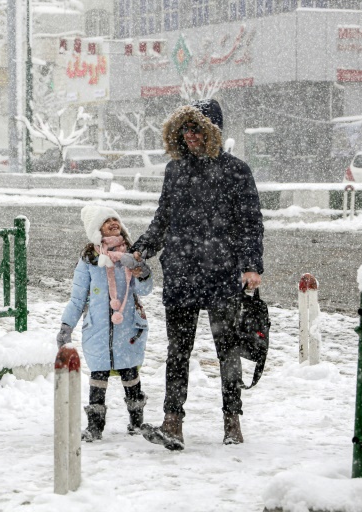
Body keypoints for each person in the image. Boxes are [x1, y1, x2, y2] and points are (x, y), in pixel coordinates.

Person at [131, 99, 264, 451]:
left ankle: (232, 419)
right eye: (185, 130)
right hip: (181, 272)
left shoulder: (236, 171)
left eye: (197, 129)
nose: (190, 136)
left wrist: (252, 265)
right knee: (178, 351)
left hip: (223, 272)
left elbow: (251, 223)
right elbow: (162, 219)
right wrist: (142, 249)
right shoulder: (175, 171)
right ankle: (172, 421)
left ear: (212, 132)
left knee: (227, 350)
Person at [57, 204, 153, 441]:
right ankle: (95, 426)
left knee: (130, 373)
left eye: (115, 219)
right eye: (106, 221)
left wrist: (140, 269)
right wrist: (66, 325)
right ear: (96, 229)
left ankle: (136, 422)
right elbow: (78, 298)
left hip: (128, 325)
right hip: (98, 329)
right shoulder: (89, 260)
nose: (113, 223)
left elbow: (146, 289)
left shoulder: (131, 254)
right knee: (98, 376)